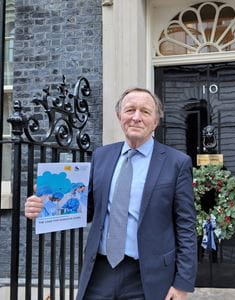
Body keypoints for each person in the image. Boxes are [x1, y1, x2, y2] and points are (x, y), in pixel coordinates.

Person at [25, 87, 198, 300]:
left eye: (145, 111)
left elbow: (186, 226)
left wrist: (182, 283)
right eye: (130, 110)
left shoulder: (177, 163)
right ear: (119, 117)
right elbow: (86, 209)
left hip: (148, 276)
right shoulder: (102, 155)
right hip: (100, 272)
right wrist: (43, 206)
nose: (136, 117)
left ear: (156, 121)